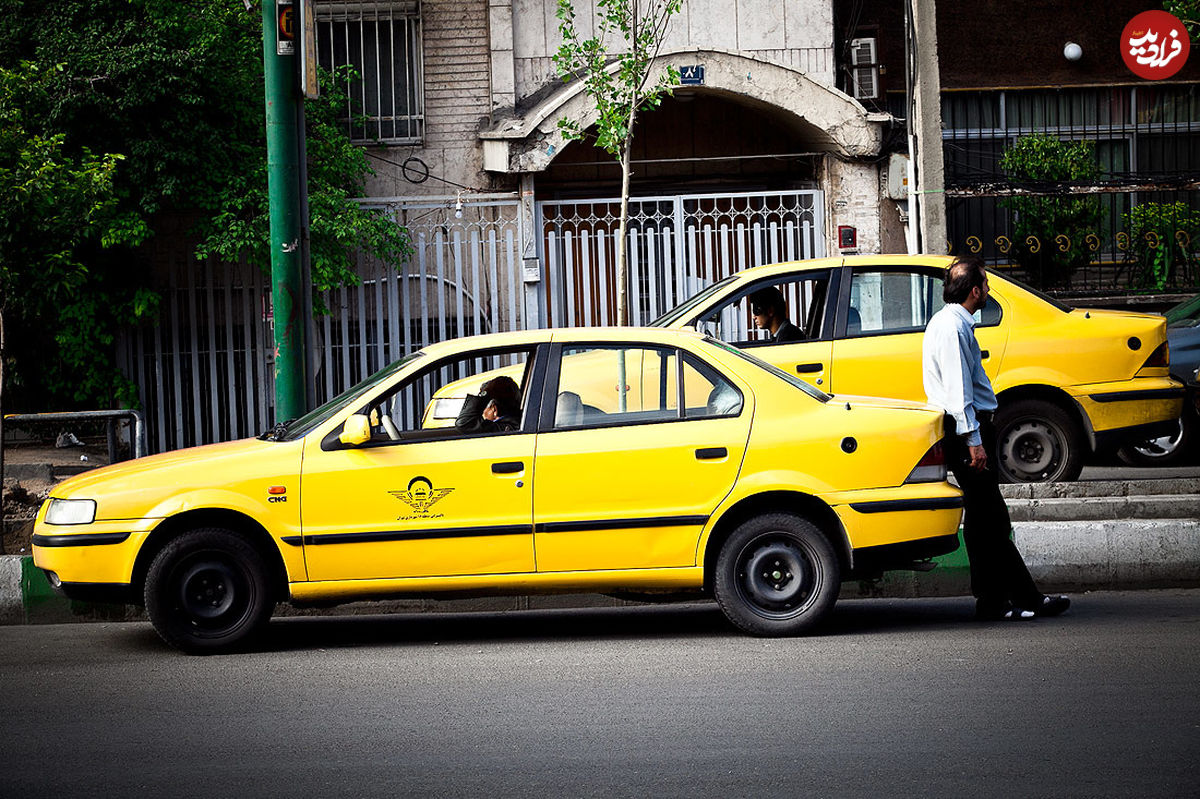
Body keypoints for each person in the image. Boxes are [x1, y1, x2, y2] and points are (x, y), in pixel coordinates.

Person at [922, 256, 1070, 621]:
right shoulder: (953, 328)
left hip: (966, 429)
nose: (988, 290)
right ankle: (1026, 599)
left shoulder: (949, 322)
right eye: (986, 285)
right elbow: (959, 392)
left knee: (982, 519)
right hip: (967, 432)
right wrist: (974, 440)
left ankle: (991, 599)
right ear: (974, 291)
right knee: (992, 518)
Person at [455, 375, 521, 433]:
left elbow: (464, 424)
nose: (482, 414)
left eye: (483, 408)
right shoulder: (515, 424)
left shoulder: (505, 429)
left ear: (494, 409)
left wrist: (485, 394)